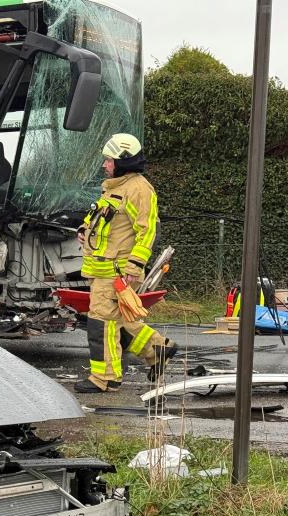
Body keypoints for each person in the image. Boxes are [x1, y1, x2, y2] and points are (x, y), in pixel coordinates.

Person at [75, 133, 177, 394]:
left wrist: (134, 266)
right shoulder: (115, 187)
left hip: (117, 272)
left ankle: (105, 378)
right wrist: (84, 229)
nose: (105, 165)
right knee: (121, 323)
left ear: (122, 162)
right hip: (103, 271)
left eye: (109, 160)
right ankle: (157, 349)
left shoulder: (139, 189)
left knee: (101, 324)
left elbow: (147, 232)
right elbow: (104, 220)